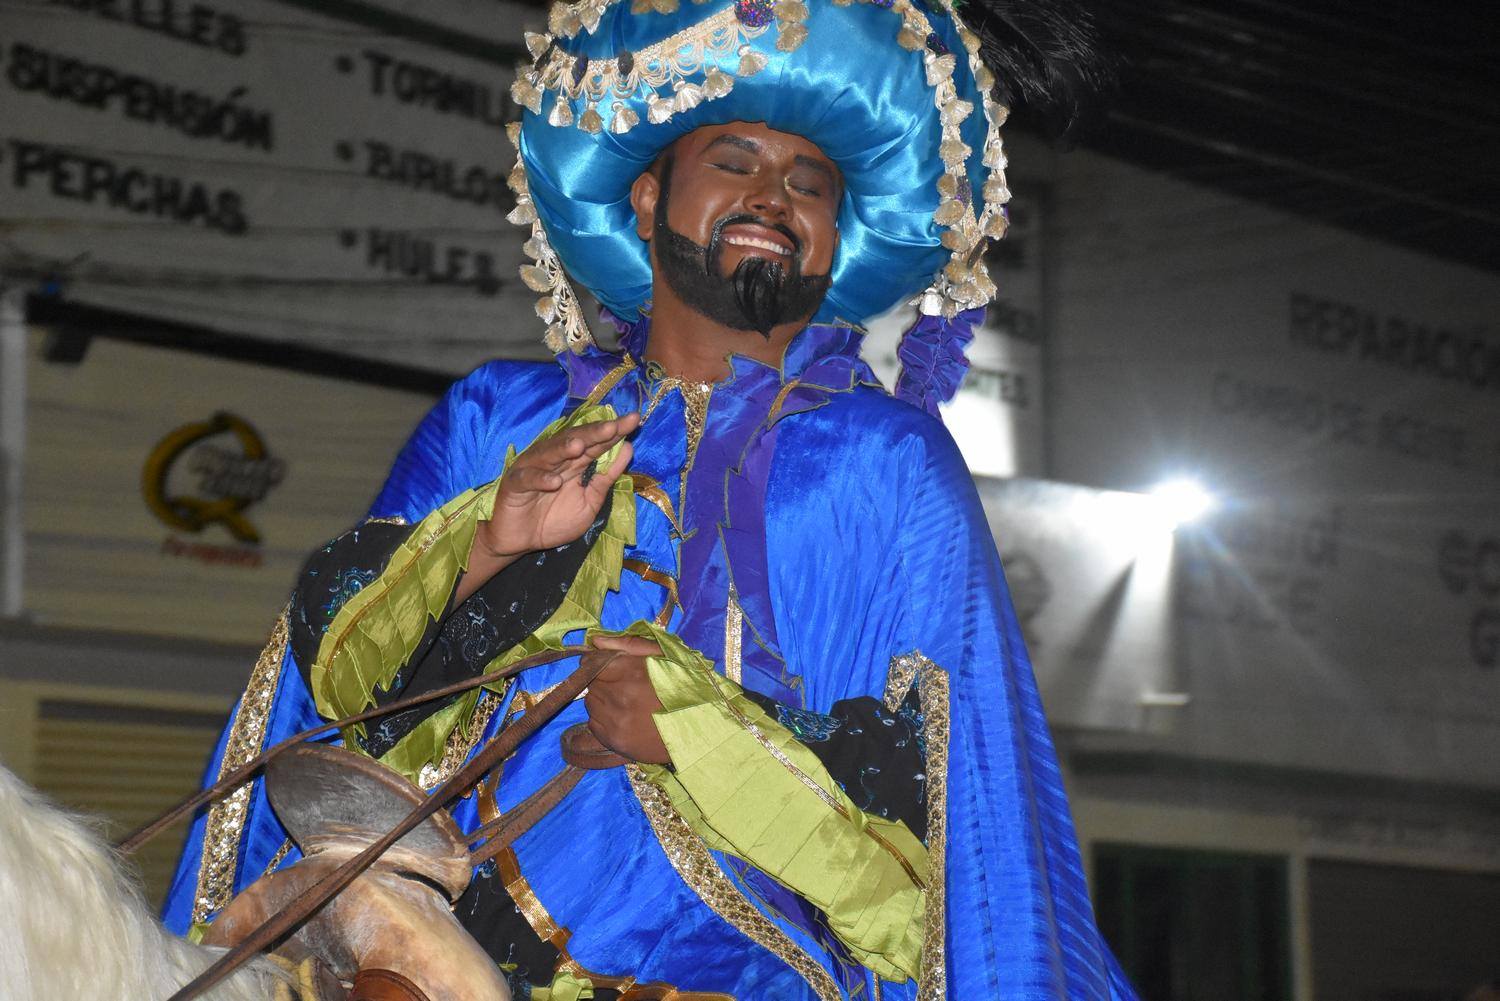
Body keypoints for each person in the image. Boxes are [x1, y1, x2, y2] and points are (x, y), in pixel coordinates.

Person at [165, 0, 1137, 998]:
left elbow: (954, 820)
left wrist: (697, 737)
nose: (773, 196)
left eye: (809, 184)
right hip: (454, 938)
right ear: (644, 198)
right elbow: (327, 691)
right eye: (735, 162)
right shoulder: (497, 418)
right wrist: (485, 548)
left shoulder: (888, 461)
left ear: (834, 239)